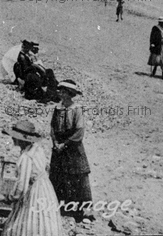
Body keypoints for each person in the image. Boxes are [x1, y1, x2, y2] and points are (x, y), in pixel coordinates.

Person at [1, 120, 65, 236]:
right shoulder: (37, 149)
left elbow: (22, 185)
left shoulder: (26, 157)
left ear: (21, 139)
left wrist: (11, 197)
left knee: (27, 222)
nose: (12, 139)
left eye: (14, 137)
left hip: (34, 191)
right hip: (45, 188)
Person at [49, 80, 94, 223]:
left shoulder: (76, 109)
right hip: (59, 147)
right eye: (59, 90)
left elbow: (79, 131)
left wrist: (65, 144)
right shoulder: (57, 108)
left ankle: (78, 210)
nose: (59, 93)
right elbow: (52, 127)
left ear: (69, 94)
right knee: (58, 176)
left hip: (72, 147)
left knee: (76, 177)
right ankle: (61, 208)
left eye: (62, 91)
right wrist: (55, 142)